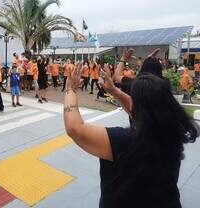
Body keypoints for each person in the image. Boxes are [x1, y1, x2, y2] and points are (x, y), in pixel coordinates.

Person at [64, 62, 199, 208]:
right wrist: (115, 91)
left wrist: (70, 90)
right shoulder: (173, 131)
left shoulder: (123, 141)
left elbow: (74, 128)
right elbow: (145, 109)